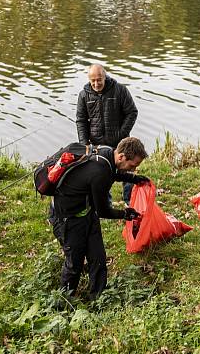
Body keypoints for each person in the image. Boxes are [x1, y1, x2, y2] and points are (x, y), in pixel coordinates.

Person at [49, 136, 149, 301]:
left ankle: (97, 298)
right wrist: (126, 214)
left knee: (98, 258)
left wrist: (134, 179)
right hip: (67, 217)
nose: (133, 169)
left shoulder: (107, 152)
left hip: (86, 212)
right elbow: (103, 211)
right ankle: (64, 301)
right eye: (132, 166)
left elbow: (114, 173)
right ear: (122, 157)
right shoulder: (99, 171)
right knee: (75, 262)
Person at [76, 64, 139, 203]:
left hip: (120, 142)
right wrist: (84, 144)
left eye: (99, 80)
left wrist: (122, 133)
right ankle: (105, 203)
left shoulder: (120, 90)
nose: (96, 84)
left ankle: (130, 202)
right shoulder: (83, 95)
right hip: (97, 143)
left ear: (105, 77)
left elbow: (132, 112)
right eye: (93, 81)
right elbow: (81, 120)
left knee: (128, 170)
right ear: (89, 79)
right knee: (101, 174)